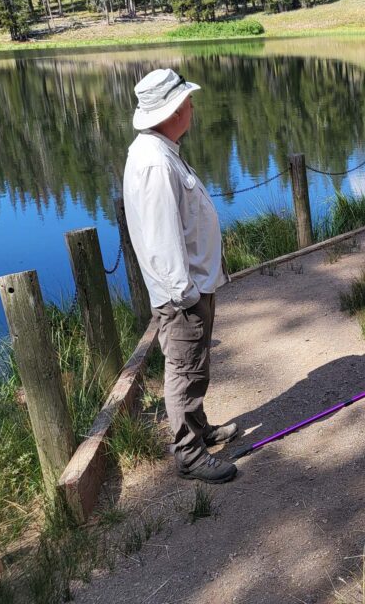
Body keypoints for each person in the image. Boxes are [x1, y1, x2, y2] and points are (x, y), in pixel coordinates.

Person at [123, 68, 241, 484]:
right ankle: (189, 453)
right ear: (171, 111)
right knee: (185, 369)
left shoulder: (160, 150)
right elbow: (160, 238)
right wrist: (185, 293)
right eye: (186, 102)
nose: (192, 107)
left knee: (195, 365)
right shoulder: (154, 163)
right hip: (183, 292)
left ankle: (199, 429)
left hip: (192, 285)